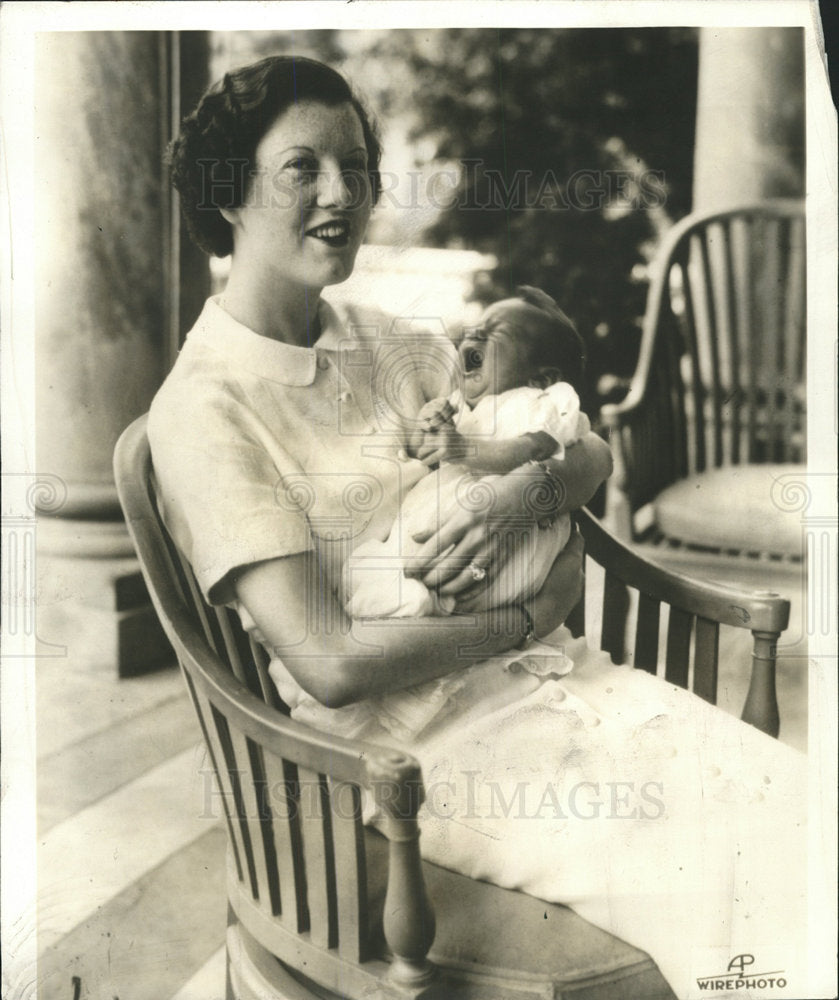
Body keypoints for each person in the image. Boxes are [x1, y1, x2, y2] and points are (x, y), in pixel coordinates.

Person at [149, 55, 808, 998]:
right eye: (304, 167)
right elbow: (328, 662)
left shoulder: (384, 339)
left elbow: (583, 451)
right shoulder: (204, 409)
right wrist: (526, 616)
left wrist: (525, 498)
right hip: (409, 758)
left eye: (357, 166)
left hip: (550, 687)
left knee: (794, 809)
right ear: (226, 191)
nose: (344, 193)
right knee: (717, 879)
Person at [343, 284, 591, 621]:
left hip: (503, 539)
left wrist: (463, 448)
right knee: (381, 562)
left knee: (437, 585)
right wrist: (432, 419)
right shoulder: (465, 401)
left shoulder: (541, 402)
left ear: (542, 377)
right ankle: (393, 598)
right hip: (456, 519)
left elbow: (530, 449)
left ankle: (415, 603)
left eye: (495, 332)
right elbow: (428, 448)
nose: (473, 334)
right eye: (477, 327)